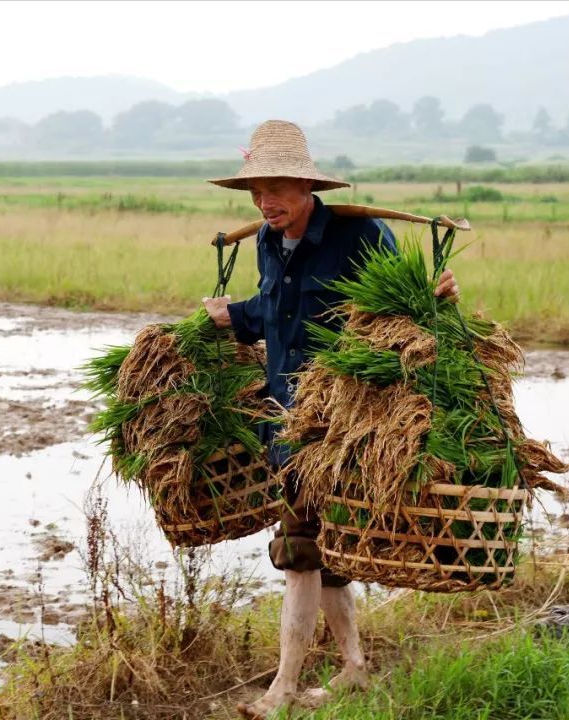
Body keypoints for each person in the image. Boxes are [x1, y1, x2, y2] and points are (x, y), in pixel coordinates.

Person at [202, 120, 460, 719]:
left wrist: (438, 292)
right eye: (258, 190)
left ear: (307, 186)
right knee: (325, 555)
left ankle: (283, 690)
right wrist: (229, 316)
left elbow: (402, 307)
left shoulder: (359, 235)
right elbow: (273, 312)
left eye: (279, 188)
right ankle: (355, 669)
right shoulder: (268, 241)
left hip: (344, 424)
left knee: (299, 554)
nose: (267, 201)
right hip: (287, 422)